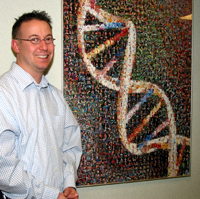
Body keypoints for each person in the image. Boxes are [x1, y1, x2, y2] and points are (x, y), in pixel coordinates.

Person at [0, 10, 82, 199]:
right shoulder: (3, 94)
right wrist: (49, 195)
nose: (44, 47)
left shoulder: (55, 96)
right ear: (16, 45)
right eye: (34, 39)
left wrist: (69, 183)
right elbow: (3, 167)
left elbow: (70, 144)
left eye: (48, 39)